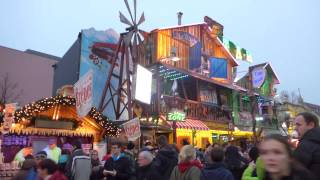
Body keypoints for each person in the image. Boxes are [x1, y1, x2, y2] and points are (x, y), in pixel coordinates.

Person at [293, 112, 320, 177]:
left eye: (298, 125)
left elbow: (295, 173)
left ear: (311, 125)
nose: (295, 128)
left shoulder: (306, 144)